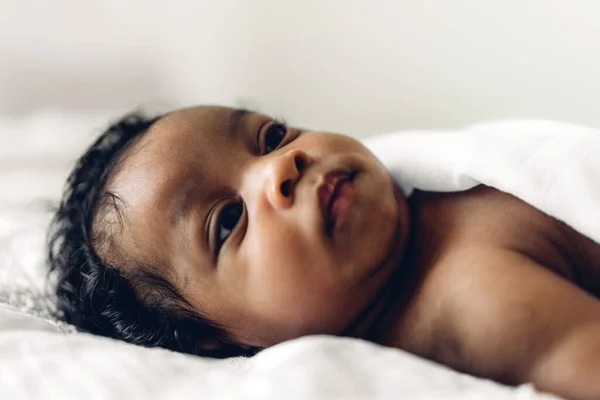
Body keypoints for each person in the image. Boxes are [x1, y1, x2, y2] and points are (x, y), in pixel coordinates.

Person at [48, 106, 600, 400]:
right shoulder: (472, 302)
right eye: (229, 221)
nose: (280, 167)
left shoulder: (427, 197)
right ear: (219, 339)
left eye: (271, 136)